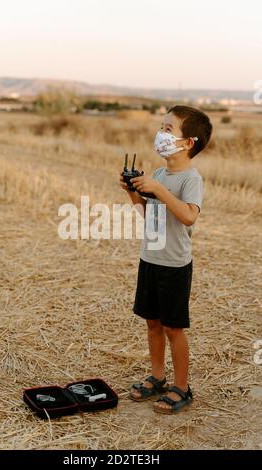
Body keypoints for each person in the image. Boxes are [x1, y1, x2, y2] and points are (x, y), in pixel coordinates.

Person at [119, 105, 212, 413]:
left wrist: (158, 188)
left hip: (174, 265)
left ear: (188, 143)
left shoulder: (190, 180)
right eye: (162, 127)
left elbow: (187, 216)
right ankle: (158, 377)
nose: (161, 134)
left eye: (169, 129)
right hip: (150, 259)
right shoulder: (159, 173)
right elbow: (150, 217)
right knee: (153, 323)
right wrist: (134, 193)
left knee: (174, 328)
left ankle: (182, 387)